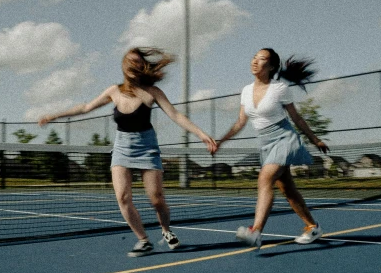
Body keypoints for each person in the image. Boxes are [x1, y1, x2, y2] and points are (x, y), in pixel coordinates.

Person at [39, 47, 217, 257]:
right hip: (122, 149)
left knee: (156, 199)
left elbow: (176, 116)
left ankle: (166, 230)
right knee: (123, 197)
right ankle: (143, 240)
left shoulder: (153, 92)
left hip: (147, 148)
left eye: (138, 62)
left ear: (143, 67)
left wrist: (201, 134)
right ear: (124, 66)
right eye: (130, 62)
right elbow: (86, 107)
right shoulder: (114, 91)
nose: (134, 65)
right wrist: (54, 115)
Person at [214, 48, 329, 248]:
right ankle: (312, 226)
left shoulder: (280, 88)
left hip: (284, 138)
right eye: (254, 58)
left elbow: (297, 118)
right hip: (265, 143)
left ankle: (256, 231)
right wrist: (221, 140)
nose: (255, 61)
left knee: (265, 178)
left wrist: (315, 139)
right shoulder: (246, 91)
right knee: (288, 190)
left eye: (262, 59)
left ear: (272, 66)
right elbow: (240, 122)